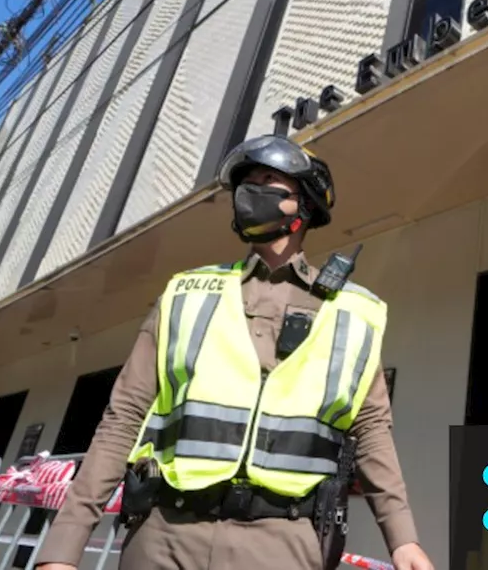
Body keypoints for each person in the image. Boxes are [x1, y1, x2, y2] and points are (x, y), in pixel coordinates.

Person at [36, 135, 434, 570]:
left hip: (283, 543)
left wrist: (402, 538)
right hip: (164, 533)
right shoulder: (188, 292)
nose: (251, 193)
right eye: (245, 184)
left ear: (304, 205)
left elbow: (372, 429)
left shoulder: (353, 312)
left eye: (268, 180)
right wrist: (64, 546)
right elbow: (124, 416)